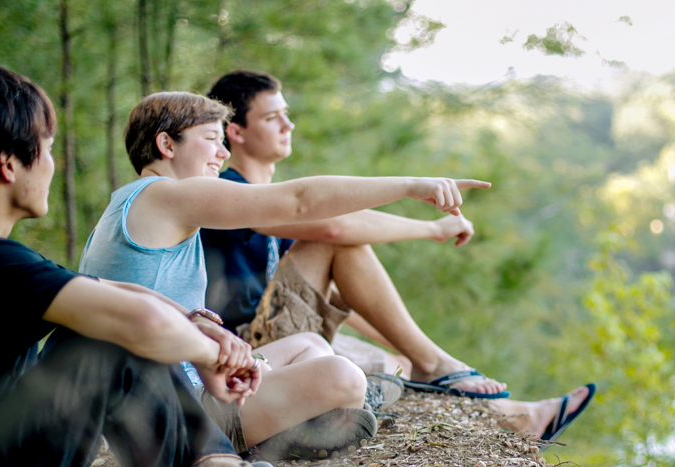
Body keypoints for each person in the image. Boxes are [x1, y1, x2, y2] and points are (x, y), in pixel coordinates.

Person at [0, 65, 352, 467]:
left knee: (113, 321)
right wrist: (210, 354)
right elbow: (131, 315)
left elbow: (109, 290)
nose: (53, 164)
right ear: (10, 165)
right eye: (48, 149)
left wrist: (194, 327)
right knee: (110, 335)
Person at [78, 91, 489, 459]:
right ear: (166, 144)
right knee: (344, 375)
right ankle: (318, 418)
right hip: (176, 413)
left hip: (179, 390)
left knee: (308, 343)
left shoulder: (130, 204)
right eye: (210, 139)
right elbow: (298, 201)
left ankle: (313, 419)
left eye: (223, 141)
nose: (222, 154)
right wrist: (413, 185)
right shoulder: (164, 195)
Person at [205, 70, 595, 441]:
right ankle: (436, 365)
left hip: (281, 332)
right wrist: (432, 229)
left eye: (286, 115)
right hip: (251, 349)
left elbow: (332, 296)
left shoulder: (266, 202)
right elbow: (335, 229)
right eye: (273, 118)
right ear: (235, 131)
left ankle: (516, 416)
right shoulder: (231, 191)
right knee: (332, 241)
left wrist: (405, 348)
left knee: (400, 365)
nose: (288, 126)